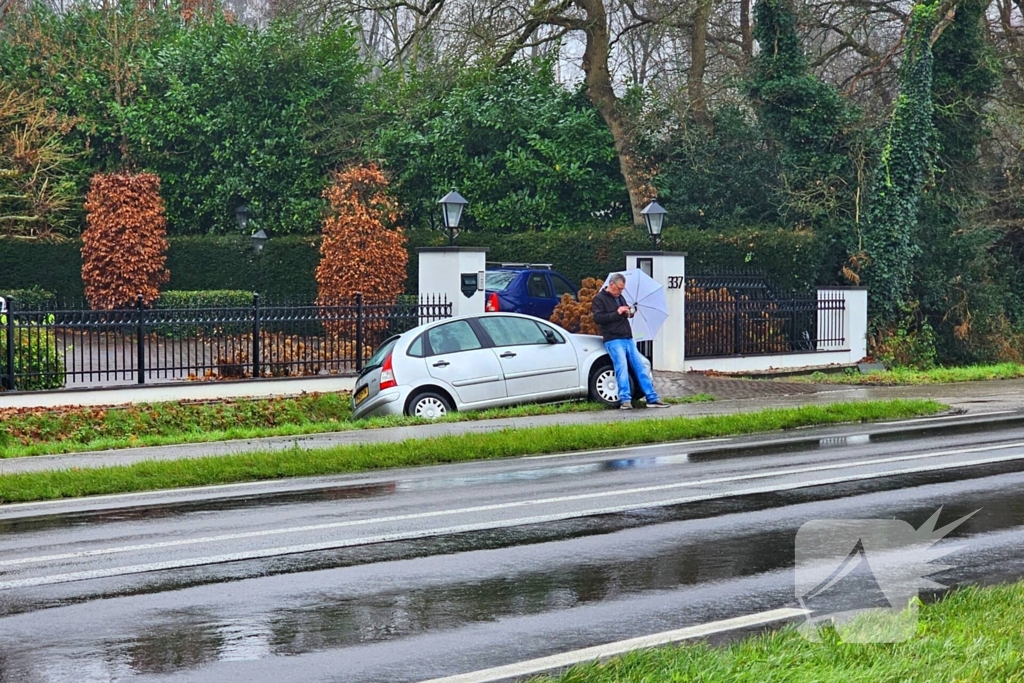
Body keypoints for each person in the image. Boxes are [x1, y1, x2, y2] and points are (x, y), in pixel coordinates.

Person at [591, 273, 670, 410]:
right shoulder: (599, 299)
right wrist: (617, 312)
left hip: (627, 337)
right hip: (613, 339)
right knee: (621, 367)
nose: (621, 291)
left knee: (640, 367)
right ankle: (625, 400)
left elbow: (623, 313)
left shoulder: (620, 297)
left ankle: (652, 398)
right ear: (611, 285)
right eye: (619, 288)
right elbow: (598, 318)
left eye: (622, 289)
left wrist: (629, 312)